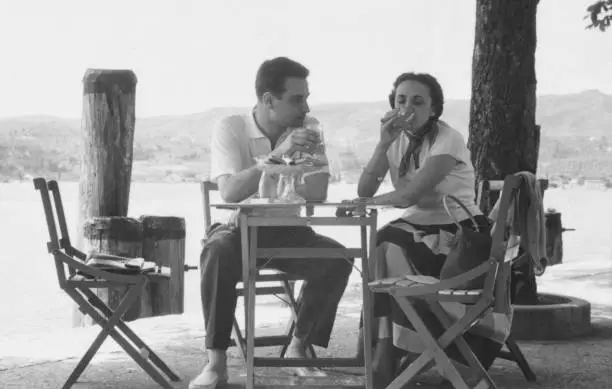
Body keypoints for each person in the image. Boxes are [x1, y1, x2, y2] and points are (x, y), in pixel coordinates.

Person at [189, 57, 354, 389]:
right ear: (268, 100)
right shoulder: (231, 128)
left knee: (337, 258)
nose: (305, 107)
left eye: (306, 97)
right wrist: (280, 154)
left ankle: (299, 347)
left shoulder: (308, 128)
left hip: (287, 230)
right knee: (217, 253)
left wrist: (301, 161)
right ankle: (215, 364)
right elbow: (231, 191)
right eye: (296, 99)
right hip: (236, 229)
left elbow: (317, 193)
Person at [354, 72, 503, 386]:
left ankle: (396, 350)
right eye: (401, 100)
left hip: (458, 231)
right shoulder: (394, 141)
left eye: (418, 101)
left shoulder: (447, 139)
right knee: (382, 243)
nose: (408, 107)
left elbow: (411, 195)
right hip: (417, 225)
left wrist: (365, 204)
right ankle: (388, 347)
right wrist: (383, 144)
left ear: (434, 109)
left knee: (389, 244)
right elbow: (364, 189)